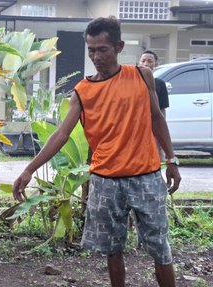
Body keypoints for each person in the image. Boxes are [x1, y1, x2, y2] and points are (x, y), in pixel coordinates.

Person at [13, 17, 181, 287]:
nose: (96, 56)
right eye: (91, 50)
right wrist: (29, 169)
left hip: (146, 176)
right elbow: (61, 134)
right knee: (112, 250)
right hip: (105, 181)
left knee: (159, 247)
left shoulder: (141, 75)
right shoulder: (83, 91)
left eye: (102, 49)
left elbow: (156, 118)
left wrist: (171, 160)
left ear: (118, 46)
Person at [139, 50, 169, 117]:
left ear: (156, 64)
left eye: (150, 61)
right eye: (143, 61)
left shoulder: (160, 84)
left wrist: (161, 125)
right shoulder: (133, 81)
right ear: (139, 63)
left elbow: (162, 108)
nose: (145, 64)